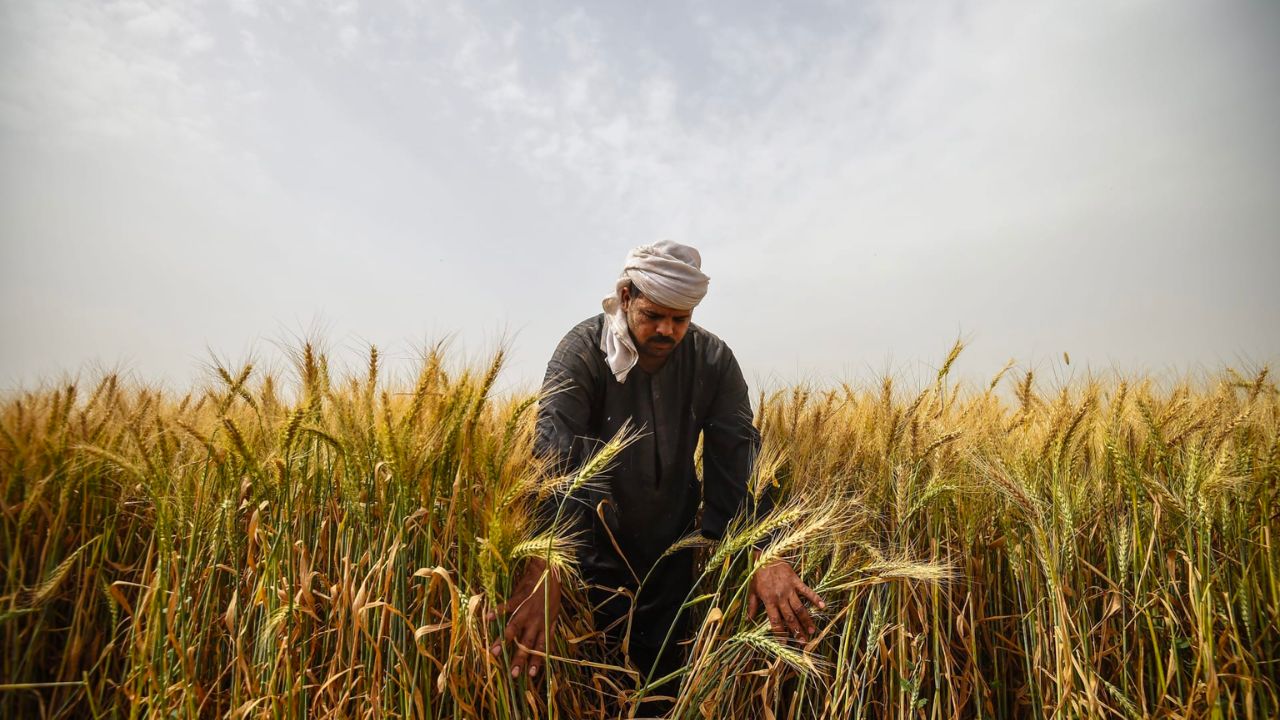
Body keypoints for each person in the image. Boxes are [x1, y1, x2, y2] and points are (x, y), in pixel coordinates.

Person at [488, 241, 824, 703]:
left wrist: (765, 551)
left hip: (673, 555)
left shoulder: (712, 359)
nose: (667, 329)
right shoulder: (582, 352)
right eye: (654, 315)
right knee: (591, 686)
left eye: (680, 319)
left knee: (661, 686)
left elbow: (738, 456)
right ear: (626, 297)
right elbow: (554, 459)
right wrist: (545, 568)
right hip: (589, 555)